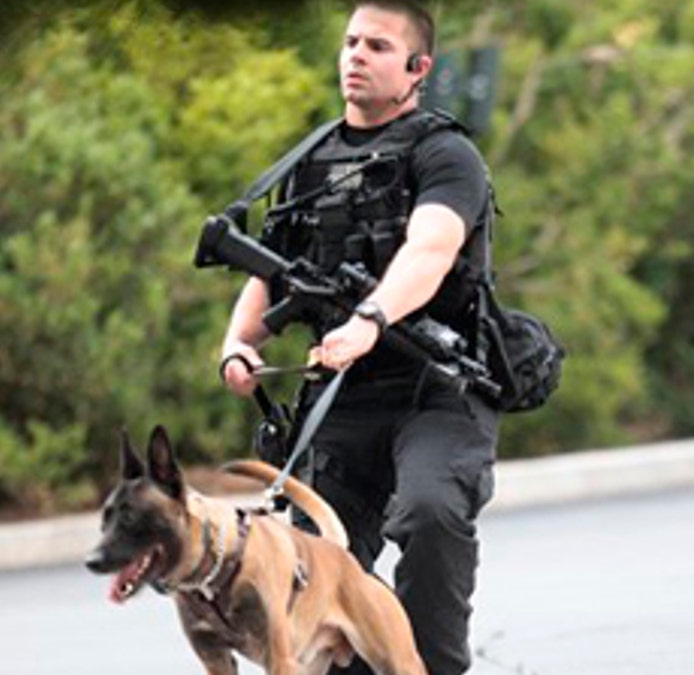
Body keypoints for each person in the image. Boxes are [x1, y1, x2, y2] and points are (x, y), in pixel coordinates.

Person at [218, 2, 499, 673]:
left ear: (417, 67)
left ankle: (430, 665)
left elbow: (430, 249)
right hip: (342, 392)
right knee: (313, 560)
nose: (356, 56)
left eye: (377, 45)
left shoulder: (445, 154)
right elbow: (270, 266)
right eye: (350, 42)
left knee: (430, 513)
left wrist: (369, 319)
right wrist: (238, 342)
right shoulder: (309, 162)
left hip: (439, 389)